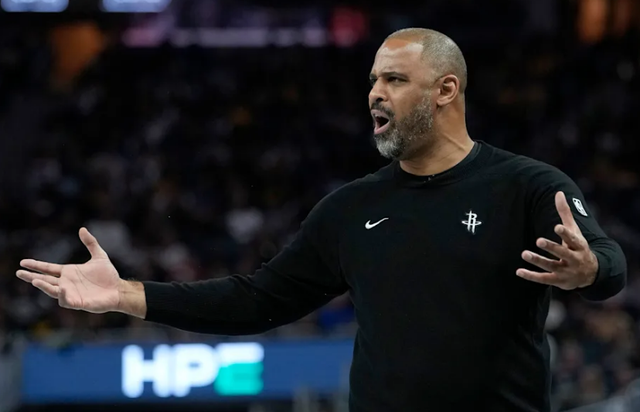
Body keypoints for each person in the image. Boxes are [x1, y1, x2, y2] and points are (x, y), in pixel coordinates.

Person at [16, 28, 626, 412]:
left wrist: (588, 270)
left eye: (394, 79)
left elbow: (610, 264)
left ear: (445, 90)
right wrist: (126, 295)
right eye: (373, 80)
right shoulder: (351, 209)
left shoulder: (527, 186)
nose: (375, 93)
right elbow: (256, 301)